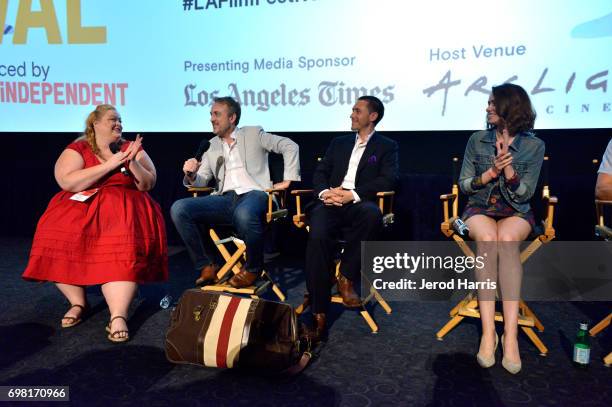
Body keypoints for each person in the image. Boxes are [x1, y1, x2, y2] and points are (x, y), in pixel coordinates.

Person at [23, 104, 168, 343]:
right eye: (113, 119)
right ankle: (78, 302)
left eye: (121, 119)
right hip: (84, 202)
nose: (119, 123)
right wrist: (110, 164)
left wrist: (130, 162)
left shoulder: (131, 148)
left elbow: (147, 183)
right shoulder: (79, 147)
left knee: (121, 243)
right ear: (95, 124)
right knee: (56, 230)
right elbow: (68, 181)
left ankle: (118, 315)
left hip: (125, 203)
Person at [458, 83, 545, 374]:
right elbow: (465, 185)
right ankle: (487, 332)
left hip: (516, 210)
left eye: (493, 103)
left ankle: (511, 336)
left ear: (510, 106)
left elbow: (525, 195)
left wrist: (508, 170)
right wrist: (490, 173)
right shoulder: (477, 140)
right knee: (487, 239)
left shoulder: (534, 146)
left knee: (506, 239)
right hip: (479, 207)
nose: (487, 108)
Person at [170, 96, 300, 288]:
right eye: (211, 115)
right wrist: (191, 175)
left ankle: (253, 269)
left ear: (232, 118)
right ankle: (207, 264)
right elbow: (202, 179)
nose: (212, 119)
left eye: (217, 114)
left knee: (245, 213)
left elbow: (290, 146)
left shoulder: (254, 133)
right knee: (179, 208)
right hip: (225, 199)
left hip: (256, 194)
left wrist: (288, 180)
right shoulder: (211, 145)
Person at [303, 95, 398, 342]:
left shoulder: (387, 146)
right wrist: (326, 193)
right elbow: (321, 173)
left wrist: (351, 195)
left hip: (358, 203)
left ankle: (346, 275)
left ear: (372, 116)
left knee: (372, 214)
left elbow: (388, 180)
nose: (351, 114)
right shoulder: (339, 143)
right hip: (330, 202)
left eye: (357, 110)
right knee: (318, 237)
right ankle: (318, 310)